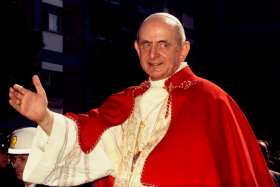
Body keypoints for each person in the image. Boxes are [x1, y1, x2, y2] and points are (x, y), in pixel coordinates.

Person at [8, 12, 275, 187]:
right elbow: (88, 145)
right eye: (146, 44)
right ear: (137, 48)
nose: (153, 53)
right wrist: (44, 117)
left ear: (184, 49)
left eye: (164, 44)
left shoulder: (213, 101)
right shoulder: (126, 102)